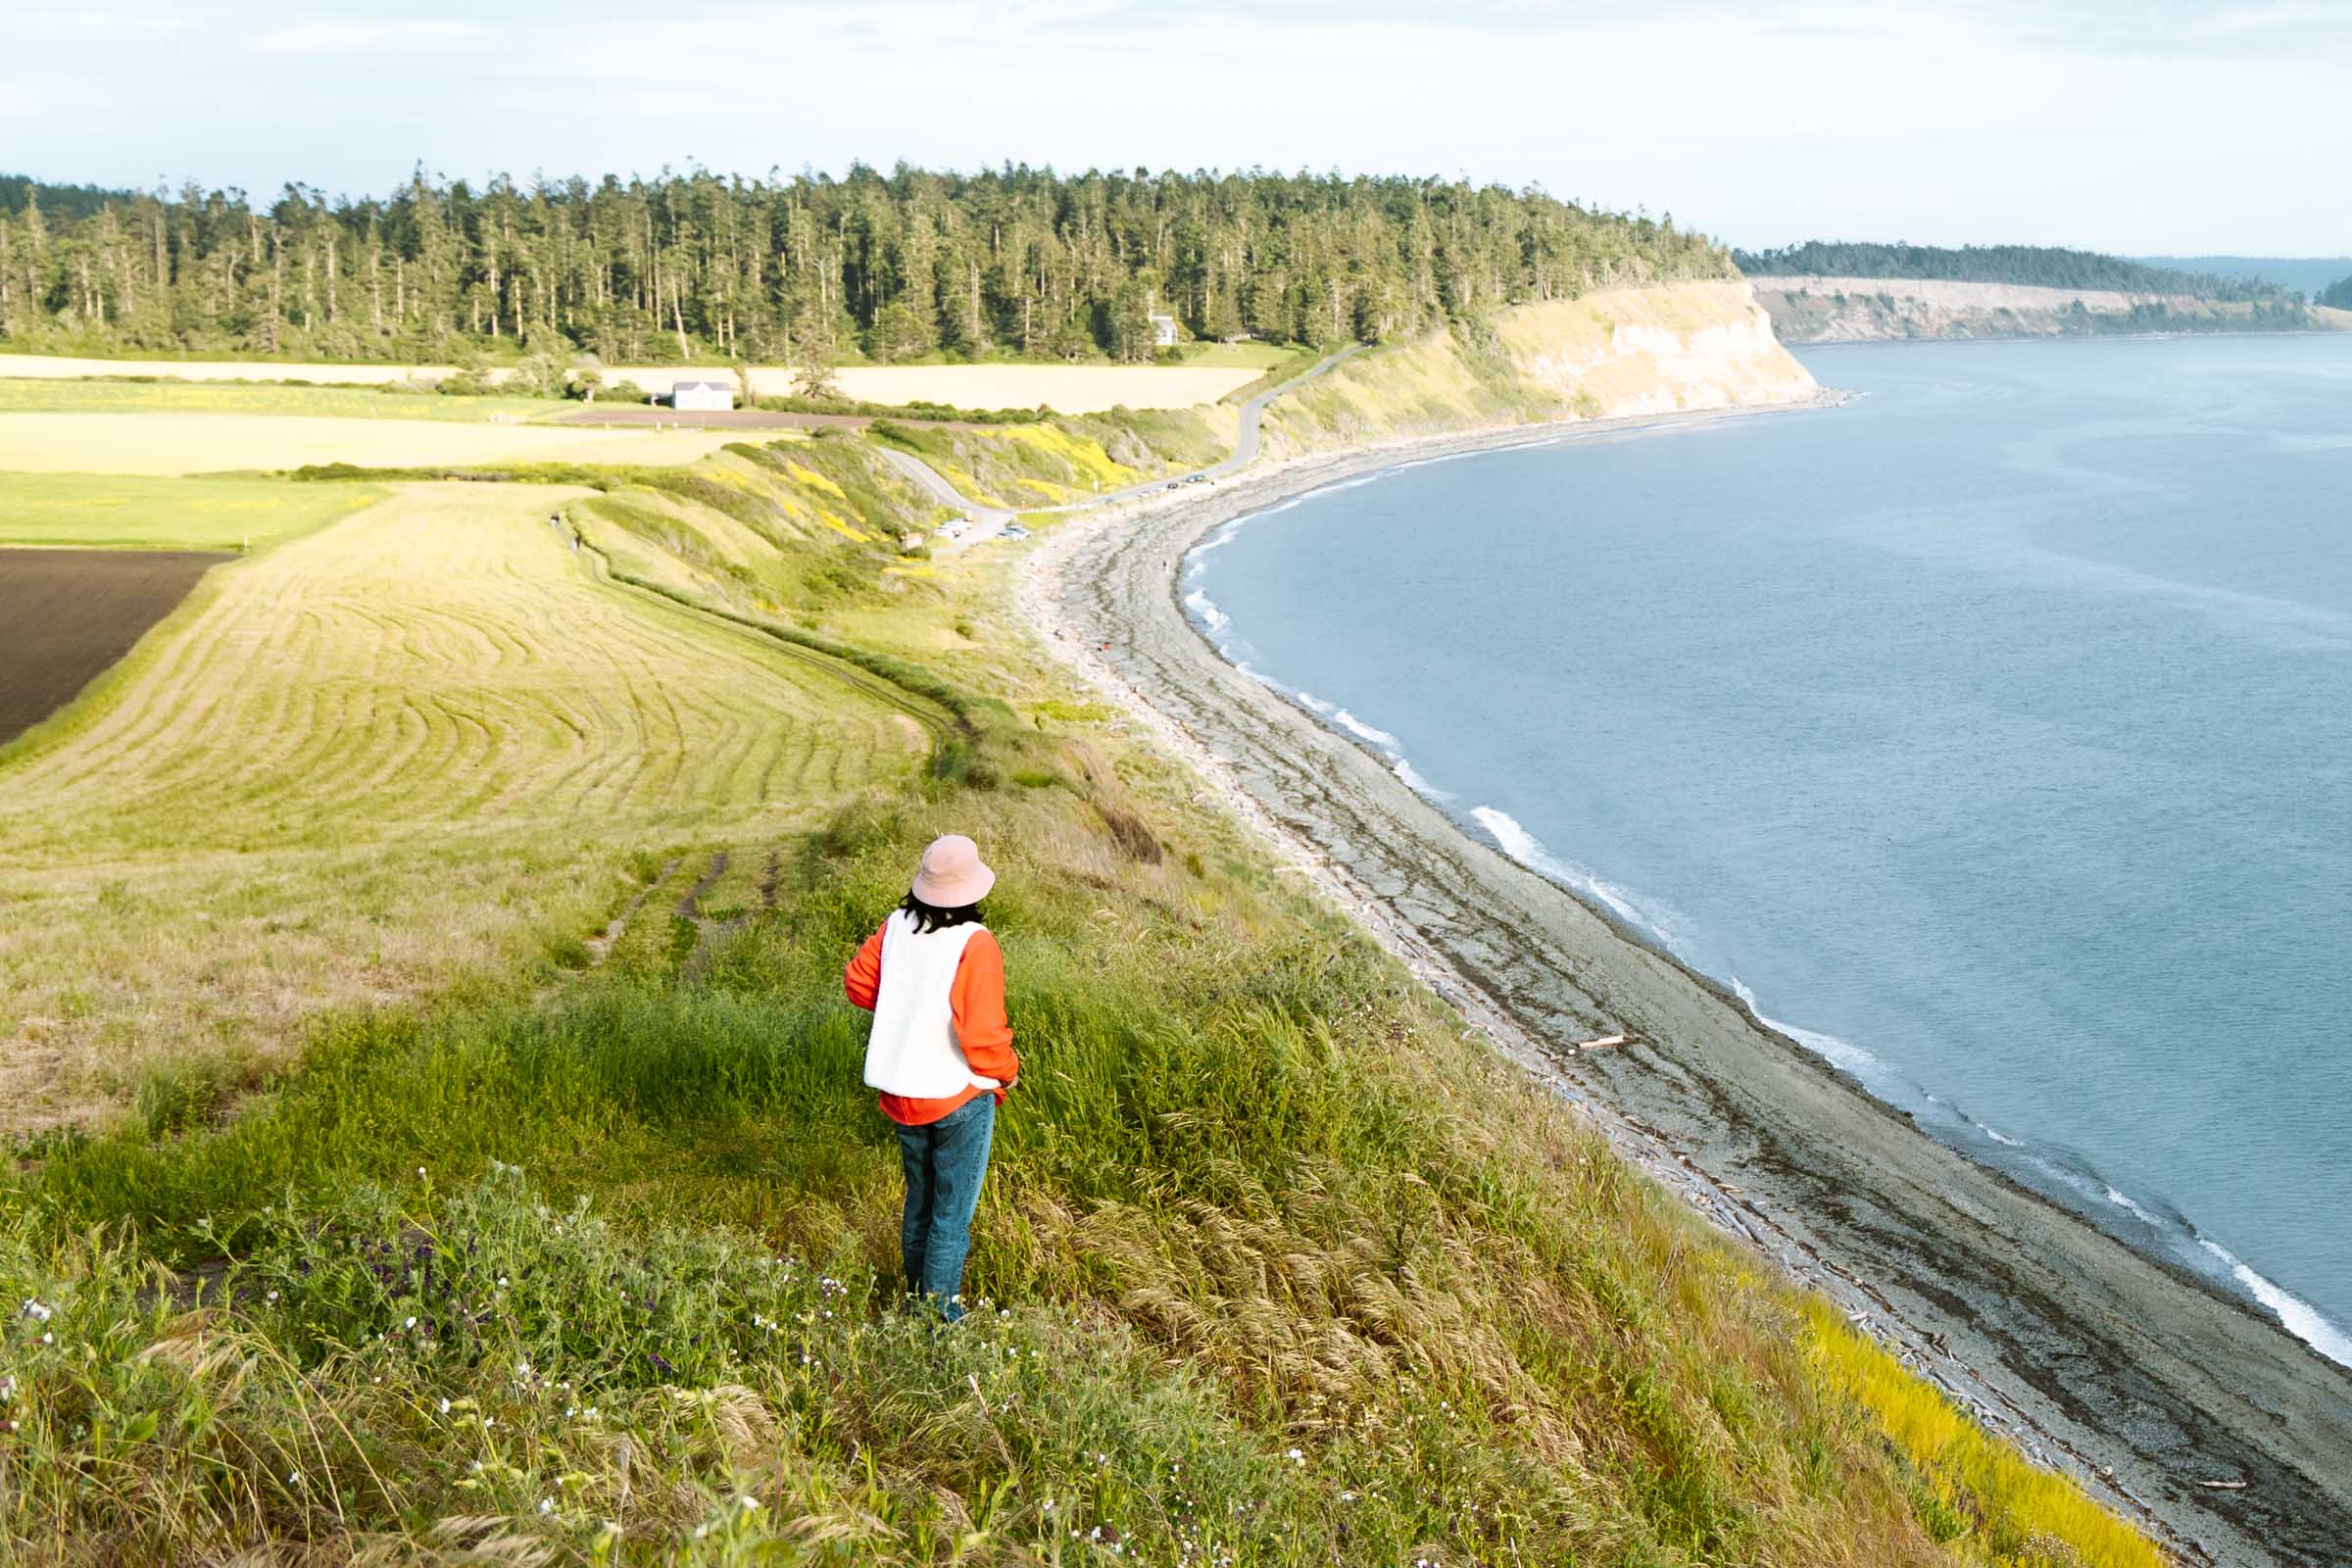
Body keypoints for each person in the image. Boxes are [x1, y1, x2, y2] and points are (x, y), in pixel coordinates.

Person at [843, 834, 1018, 1319]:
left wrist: (907, 1008)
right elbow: (981, 1037)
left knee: (920, 1202)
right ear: (973, 890)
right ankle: (939, 1325)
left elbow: (858, 982)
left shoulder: (896, 926)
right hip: (957, 1095)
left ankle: (916, 1303)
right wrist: (1008, 1075)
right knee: (950, 1217)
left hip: (903, 1092)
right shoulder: (975, 943)